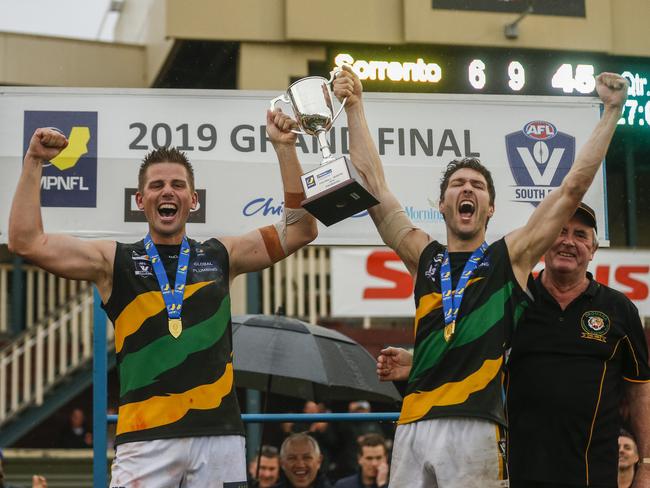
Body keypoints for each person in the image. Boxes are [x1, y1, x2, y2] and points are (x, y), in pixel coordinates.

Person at [334, 64, 628, 487]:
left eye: (477, 185)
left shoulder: (508, 259)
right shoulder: (425, 257)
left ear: (490, 208)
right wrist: (355, 107)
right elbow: (374, 187)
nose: (466, 189)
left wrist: (611, 112)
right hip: (414, 420)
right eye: (456, 184)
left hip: (475, 425)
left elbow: (571, 189)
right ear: (442, 204)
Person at [7, 110, 317, 487]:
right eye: (156, 186)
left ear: (193, 199)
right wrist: (35, 161)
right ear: (140, 200)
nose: (167, 191)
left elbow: (301, 228)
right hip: (145, 439)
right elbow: (27, 242)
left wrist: (285, 148)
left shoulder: (221, 254)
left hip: (218, 436)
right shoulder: (113, 261)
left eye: (177, 184)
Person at [506, 203, 650, 488]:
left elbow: (640, 388)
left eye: (580, 235)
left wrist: (646, 464)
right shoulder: (513, 301)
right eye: (560, 231)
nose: (568, 241)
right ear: (544, 239)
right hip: (520, 471)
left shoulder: (619, 309)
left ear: (593, 250)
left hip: (592, 474)